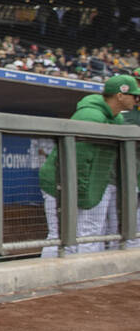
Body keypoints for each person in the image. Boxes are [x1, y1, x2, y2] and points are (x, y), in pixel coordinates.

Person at [38, 75, 138, 257]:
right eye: (134, 95)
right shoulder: (90, 115)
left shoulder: (116, 119)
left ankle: (82, 279)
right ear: (120, 96)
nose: (137, 99)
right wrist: (83, 193)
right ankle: (50, 282)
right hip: (60, 183)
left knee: (89, 235)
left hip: (87, 184)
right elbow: (76, 160)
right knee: (60, 237)